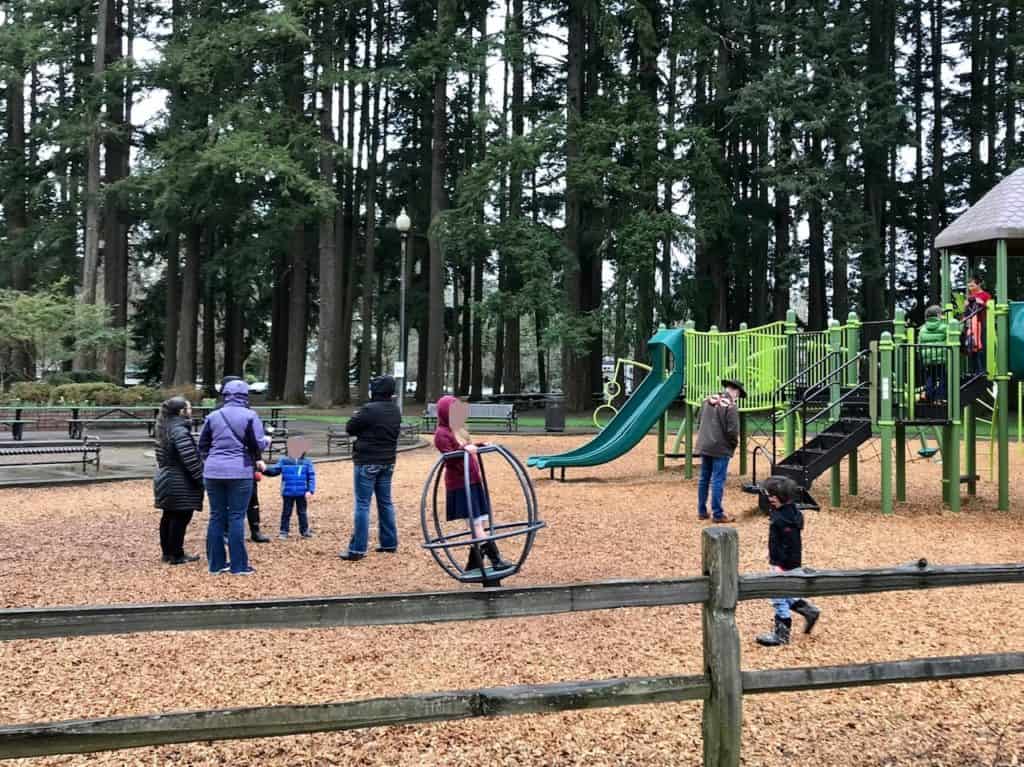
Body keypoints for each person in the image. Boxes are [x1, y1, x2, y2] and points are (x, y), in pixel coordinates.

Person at [432, 395, 512, 572]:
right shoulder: (441, 434)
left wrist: (480, 444)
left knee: (480, 522)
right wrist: (464, 449)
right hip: (461, 485)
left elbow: (466, 447)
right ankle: (495, 558)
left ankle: (473, 563)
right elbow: (450, 457)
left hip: (473, 481)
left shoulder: (458, 430)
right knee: (475, 524)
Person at [198, 379, 268, 575]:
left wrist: (211, 461)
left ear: (225, 395)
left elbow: (202, 445)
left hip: (213, 471)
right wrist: (267, 441)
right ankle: (239, 566)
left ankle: (216, 564)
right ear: (245, 396)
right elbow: (259, 444)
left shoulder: (213, 416)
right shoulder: (250, 415)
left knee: (216, 516)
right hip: (240, 470)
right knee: (236, 516)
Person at [339, 376, 402, 561]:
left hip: (367, 460)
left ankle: (358, 548)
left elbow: (350, 428)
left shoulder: (369, 410)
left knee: (362, 504)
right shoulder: (395, 410)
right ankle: (389, 543)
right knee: (385, 502)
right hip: (388, 460)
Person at [756, 476, 821, 647]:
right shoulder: (794, 514)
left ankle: (782, 635)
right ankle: (809, 611)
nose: (769, 499)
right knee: (787, 593)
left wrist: (778, 564)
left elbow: (782, 544)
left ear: (779, 498)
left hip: (782, 565)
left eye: (771, 496)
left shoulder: (779, 520)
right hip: (794, 563)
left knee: (778, 597)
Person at [216, 375, 270, 543]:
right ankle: (225, 531)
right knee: (227, 498)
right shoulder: (218, 411)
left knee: (252, 496)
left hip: (247, 460)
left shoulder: (247, 409)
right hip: (227, 460)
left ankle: (255, 529)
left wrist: (258, 458)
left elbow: (253, 437)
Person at [153, 397, 204, 565]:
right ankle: (176, 554)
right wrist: (201, 479)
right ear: (181, 411)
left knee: (169, 515)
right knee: (181, 516)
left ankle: (168, 553)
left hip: (166, 476)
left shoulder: (164, 427)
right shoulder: (179, 430)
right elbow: (189, 459)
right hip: (179, 479)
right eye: (189, 408)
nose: (191, 410)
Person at [695, 378, 745, 523]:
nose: (737, 397)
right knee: (718, 479)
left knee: (704, 478)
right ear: (735, 391)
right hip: (721, 447)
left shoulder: (707, 400)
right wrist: (733, 445)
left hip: (705, 445)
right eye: (738, 394)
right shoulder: (730, 406)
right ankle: (717, 513)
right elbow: (732, 431)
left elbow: (698, 420)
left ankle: (702, 511)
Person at [264, 439, 317, 539]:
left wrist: (310, 490)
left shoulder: (307, 462)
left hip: (302, 492)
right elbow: (275, 470)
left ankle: (304, 530)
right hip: (288, 492)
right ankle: (284, 531)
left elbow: (311, 476)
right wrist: (264, 469)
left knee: (302, 512)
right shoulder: (284, 460)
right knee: (286, 512)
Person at [918, 305, 948, 402]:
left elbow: (920, 344)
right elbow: (951, 336)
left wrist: (921, 356)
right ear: (938, 315)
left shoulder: (922, 329)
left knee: (931, 377)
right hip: (941, 357)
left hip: (927, 357)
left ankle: (927, 394)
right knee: (943, 377)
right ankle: (940, 397)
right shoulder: (944, 327)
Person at [964, 276, 992, 375]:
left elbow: (990, 308)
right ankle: (974, 370)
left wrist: (982, 304)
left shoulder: (985, 295)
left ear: (978, 284)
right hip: (971, 325)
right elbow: (966, 313)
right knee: (972, 345)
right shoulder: (970, 297)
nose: (970, 288)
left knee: (980, 346)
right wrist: (966, 306)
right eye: (969, 286)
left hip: (982, 324)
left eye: (972, 285)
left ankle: (982, 369)